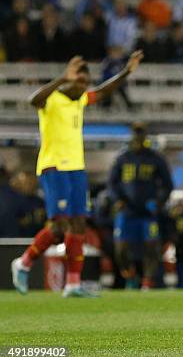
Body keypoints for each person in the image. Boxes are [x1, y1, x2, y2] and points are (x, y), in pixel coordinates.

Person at [11, 50, 144, 297]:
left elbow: (104, 91)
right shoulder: (53, 99)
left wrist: (127, 71)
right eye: (78, 81)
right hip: (54, 167)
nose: (82, 86)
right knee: (59, 225)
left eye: (85, 82)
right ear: (69, 80)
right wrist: (62, 79)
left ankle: (72, 283)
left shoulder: (79, 100)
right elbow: (33, 100)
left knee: (79, 223)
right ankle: (24, 262)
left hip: (76, 168)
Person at [108, 123, 173, 289]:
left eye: (141, 133)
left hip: (147, 212)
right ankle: (129, 275)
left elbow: (167, 184)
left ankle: (147, 281)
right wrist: (118, 200)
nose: (138, 137)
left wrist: (159, 201)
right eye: (135, 133)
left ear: (145, 136)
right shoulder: (123, 158)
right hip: (127, 211)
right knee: (121, 248)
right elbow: (112, 183)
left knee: (152, 246)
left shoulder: (155, 159)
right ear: (132, 136)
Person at [12, 171, 46, 237]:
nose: (29, 185)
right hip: (17, 241)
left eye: (31, 182)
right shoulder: (12, 202)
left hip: (36, 240)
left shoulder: (39, 201)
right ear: (18, 184)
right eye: (26, 183)